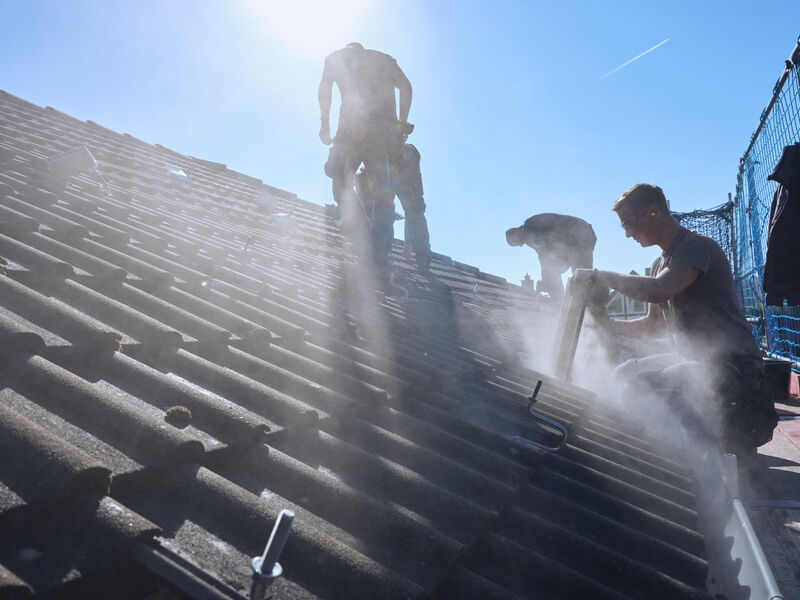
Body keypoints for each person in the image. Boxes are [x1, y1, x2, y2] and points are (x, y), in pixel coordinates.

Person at [590, 183, 776, 459]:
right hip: (695, 361)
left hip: (734, 367)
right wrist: (606, 327)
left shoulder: (696, 247)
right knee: (624, 373)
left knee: (651, 385)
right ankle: (669, 450)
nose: (628, 234)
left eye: (628, 223)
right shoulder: (658, 264)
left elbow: (658, 290)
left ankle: (707, 456)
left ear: (653, 212)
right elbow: (653, 326)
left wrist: (603, 277)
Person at [318, 42, 413, 276]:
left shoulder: (336, 57)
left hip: (352, 125)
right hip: (383, 132)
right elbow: (407, 87)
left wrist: (325, 124)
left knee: (340, 180)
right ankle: (378, 256)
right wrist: (402, 123)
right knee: (383, 196)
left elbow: (325, 89)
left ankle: (362, 237)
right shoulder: (384, 59)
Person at [355, 138, 431, 272]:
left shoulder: (399, 157)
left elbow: (412, 211)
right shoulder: (368, 171)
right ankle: (379, 256)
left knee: (409, 208)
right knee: (388, 207)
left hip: (399, 156)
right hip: (392, 156)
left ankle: (420, 258)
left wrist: (407, 245)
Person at [505, 213, 596, 302]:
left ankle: (561, 304)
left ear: (515, 234)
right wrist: (546, 279)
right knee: (580, 275)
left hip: (579, 235)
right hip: (582, 235)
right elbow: (546, 257)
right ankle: (584, 305)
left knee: (580, 276)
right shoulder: (530, 233)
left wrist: (548, 279)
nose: (520, 245)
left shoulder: (529, 227)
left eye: (516, 243)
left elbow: (548, 251)